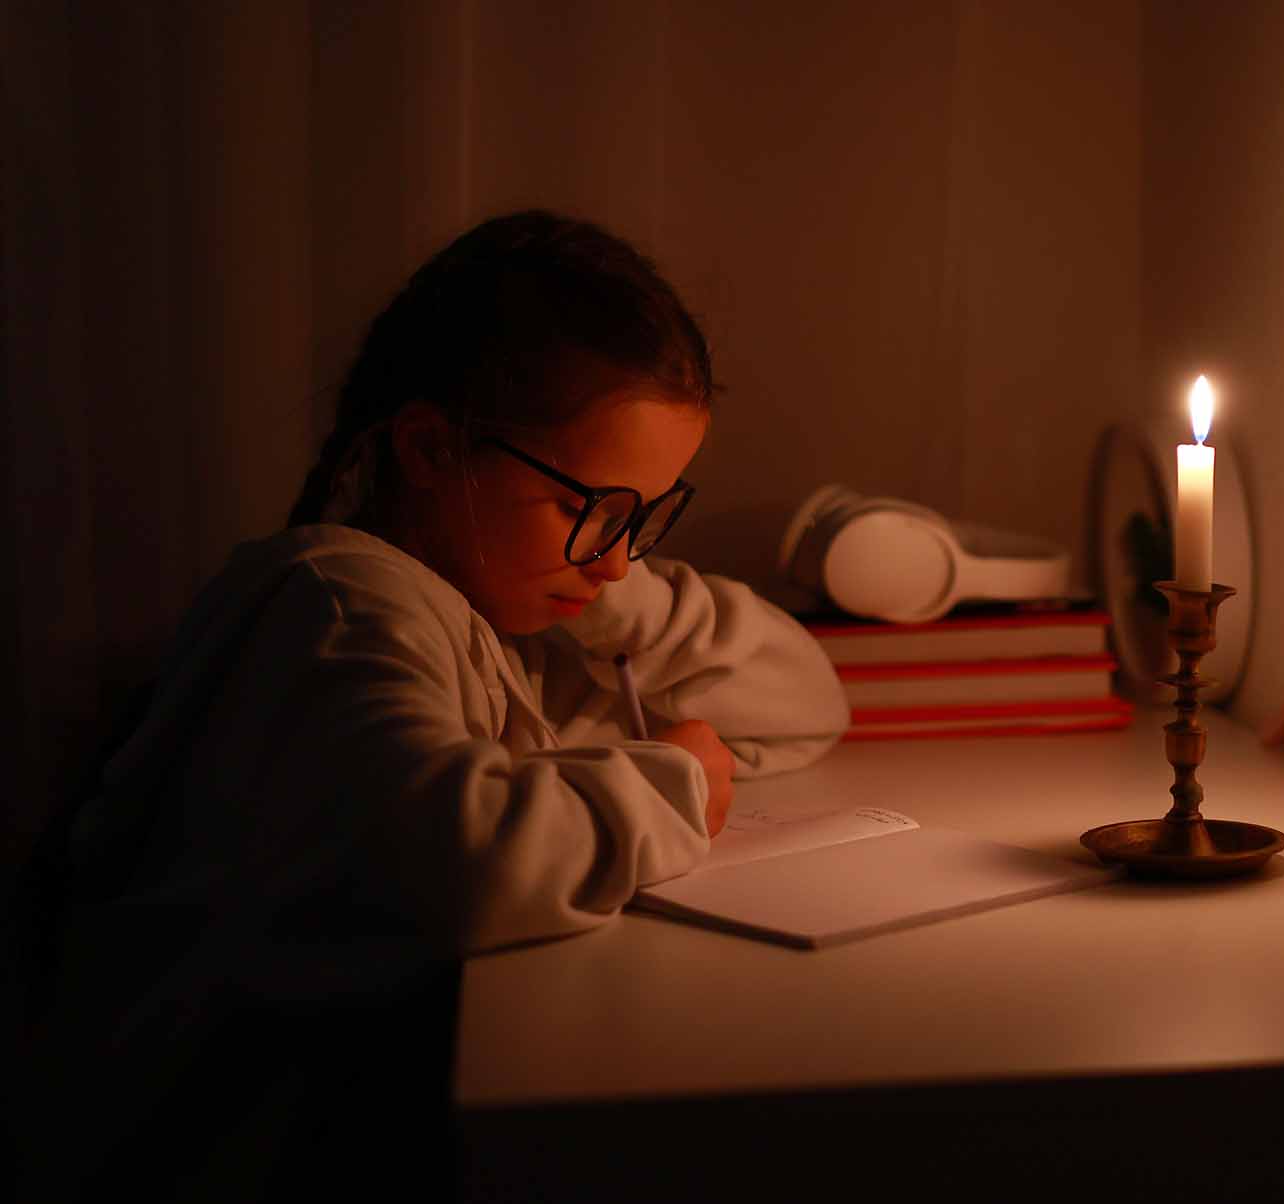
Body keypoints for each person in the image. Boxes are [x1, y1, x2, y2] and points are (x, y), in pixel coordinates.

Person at [19, 211, 849, 1200]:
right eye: (592, 507)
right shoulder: (334, 603)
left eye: (646, 516)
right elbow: (457, 857)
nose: (622, 554)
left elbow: (802, 702)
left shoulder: (488, 617)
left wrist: (603, 581)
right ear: (429, 449)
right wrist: (666, 781)